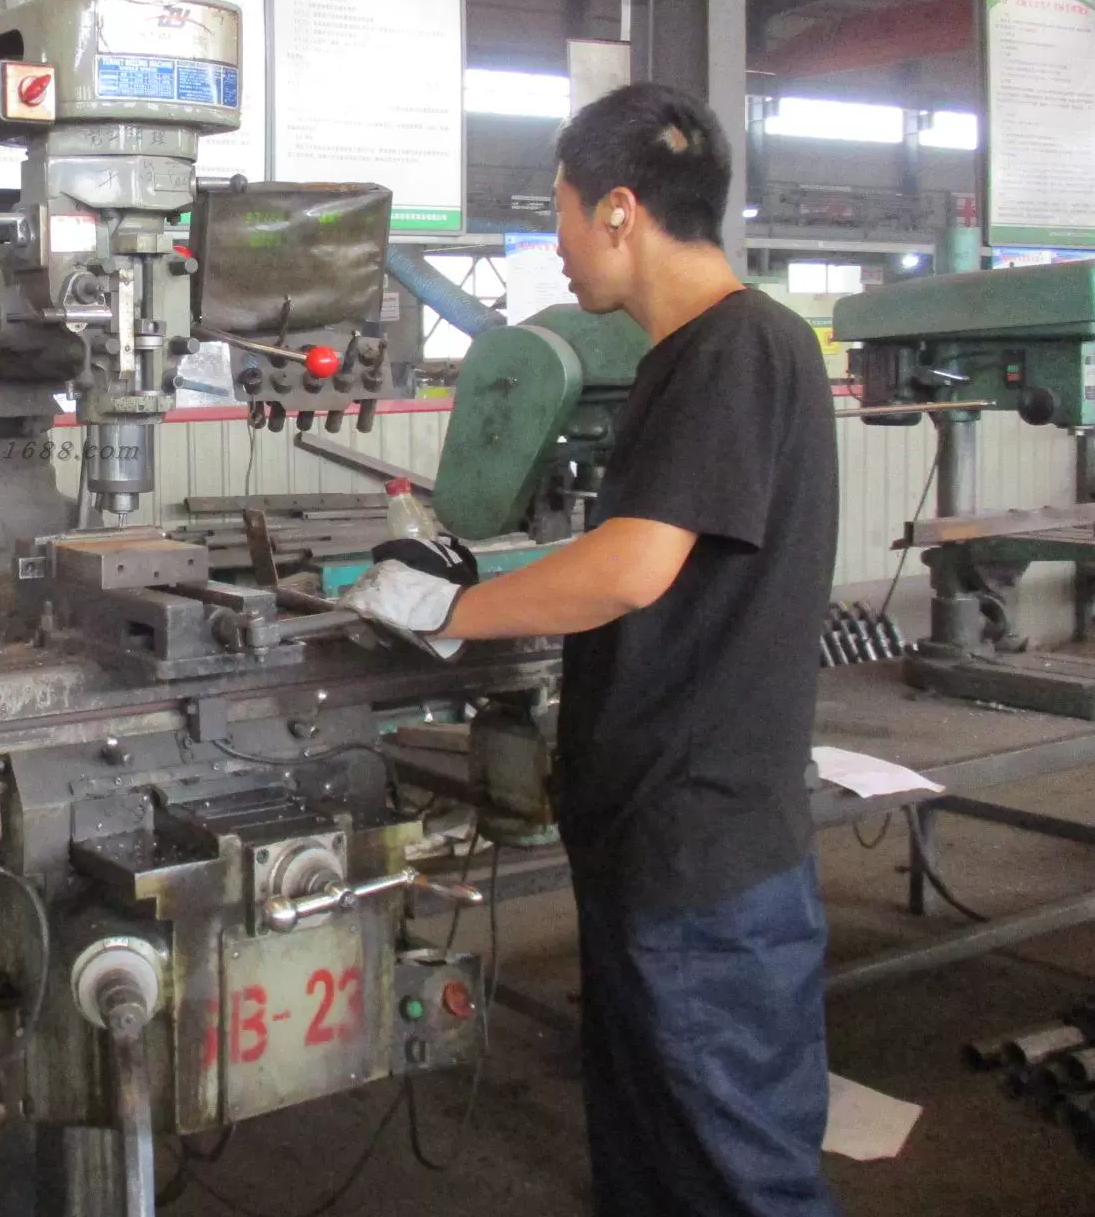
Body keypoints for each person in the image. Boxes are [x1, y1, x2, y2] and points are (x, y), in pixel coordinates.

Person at [354, 82, 841, 1216]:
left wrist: (447, 612)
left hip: (701, 854)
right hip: (660, 839)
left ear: (618, 208)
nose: (560, 246)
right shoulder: (710, 351)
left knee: (737, 1179)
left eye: (560, 213)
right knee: (655, 1165)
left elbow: (629, 568)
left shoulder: (730, 349)